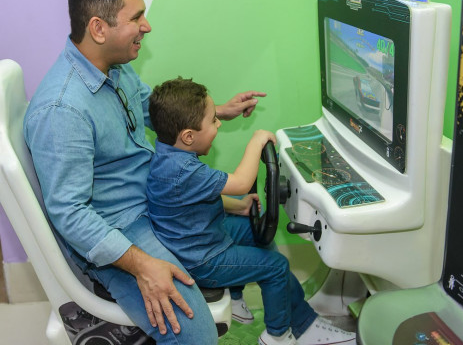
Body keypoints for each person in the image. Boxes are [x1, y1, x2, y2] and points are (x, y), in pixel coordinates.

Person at [23, 0, 266, 344]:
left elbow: (152, 111)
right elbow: (69, 213)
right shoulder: (62, 109)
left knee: (253, 231)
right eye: (136, 18)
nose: (146, 26)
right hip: (122, 231)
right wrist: (142, 265)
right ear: (98, 29)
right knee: (196, 334)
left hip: (153, 205)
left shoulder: (115, 69)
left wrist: (217, 112)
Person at [146, 77, 357, 345]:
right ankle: (277, 336)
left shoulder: (168, 156)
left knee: (254, 231)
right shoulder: (183, 170)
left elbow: (197, 199)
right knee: (276, 267)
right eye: (213, 120)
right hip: (203, 260)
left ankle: (282, 314)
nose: (219, 124)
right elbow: (242, 182)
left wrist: (240, 205)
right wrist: (256, 142)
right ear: (188, 136)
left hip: (200, 239)